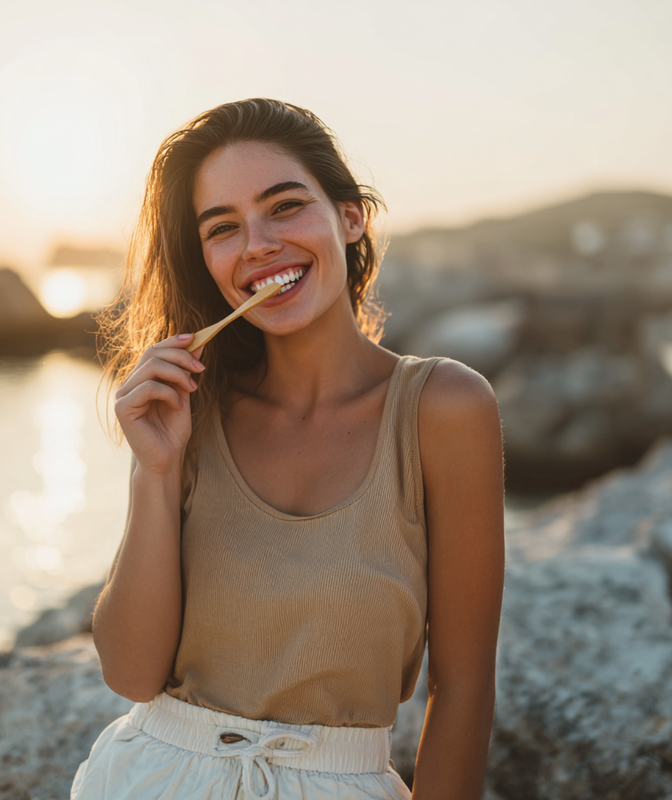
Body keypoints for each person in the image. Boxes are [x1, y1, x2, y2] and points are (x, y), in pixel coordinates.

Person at [72, 98, 504, 800]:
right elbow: (131, 673)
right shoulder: (193, 410)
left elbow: (462, 687)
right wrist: (153, 471)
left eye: (284, 207)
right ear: (208, 261)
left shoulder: (444, 408)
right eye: (222, 229)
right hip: (150, 776)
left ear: (350, 216)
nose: (257, 245)